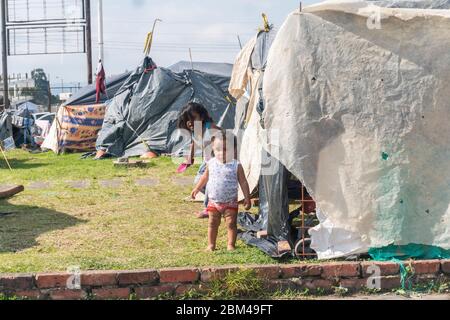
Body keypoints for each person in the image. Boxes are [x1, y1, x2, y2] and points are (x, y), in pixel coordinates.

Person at [191, 131, 251, 251]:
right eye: (218, 149)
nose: (221, 153)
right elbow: (205, 177)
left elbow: (243, 182)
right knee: (212, 223)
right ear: (213, 149)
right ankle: (211, 245)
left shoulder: (236, 165)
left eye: (226, 149)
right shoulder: (211, 163)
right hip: (213, 202)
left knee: (231, 224)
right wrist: (197, 188)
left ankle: (230, 245)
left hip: (231, 202)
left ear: (234, 149)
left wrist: (247, 198)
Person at [177, 102, 222, 218]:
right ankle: (217, 201)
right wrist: (190, 157)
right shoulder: (194, 131)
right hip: (206, 161)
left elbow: (222, 134)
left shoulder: (209, 127)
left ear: (202, 117)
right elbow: (194, 143)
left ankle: (208, 208)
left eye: (193, 118)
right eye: (187, 119)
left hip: (215, 161)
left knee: (208, 182)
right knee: (199, 182)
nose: (190, 122)